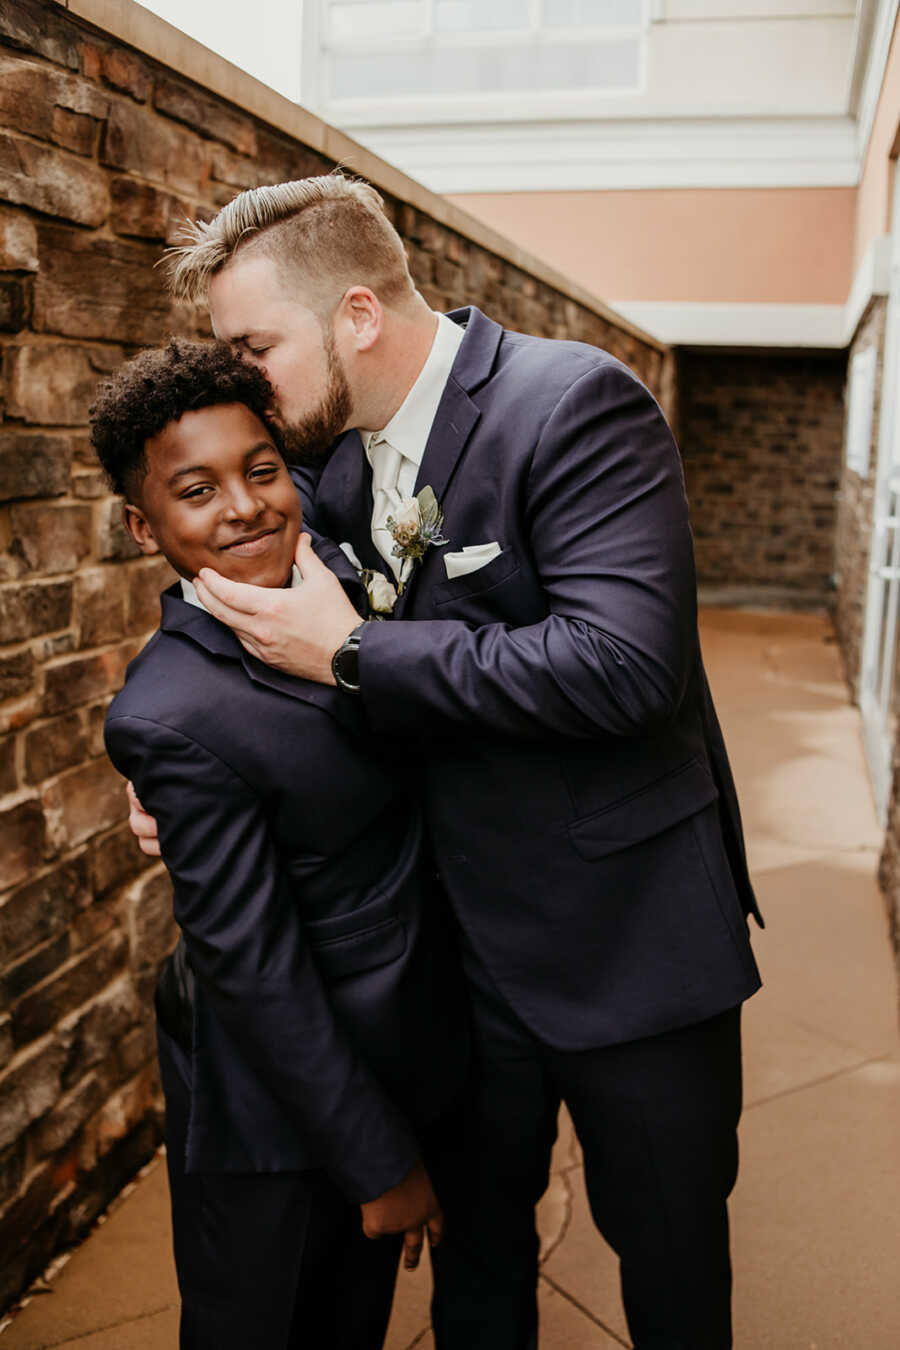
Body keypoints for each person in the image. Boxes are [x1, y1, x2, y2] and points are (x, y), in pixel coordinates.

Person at [132, 175, 763, 1349]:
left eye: (253, 345)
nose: (237, 378)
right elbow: (244, 612)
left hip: (627, 944)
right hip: (454, 965)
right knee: (478, 1261)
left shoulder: (574, 404)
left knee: (671, 1260)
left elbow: (625, 666)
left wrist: (362, 652)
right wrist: (185, 766)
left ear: (356, 316)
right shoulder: (327, 464)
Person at [91, 337, 468, 1350]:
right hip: (284, 1114)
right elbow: (253, 967)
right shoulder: (170, 715)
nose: (246, 506)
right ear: (144, 524)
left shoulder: (331, 571)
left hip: (393, 1051)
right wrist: (379, 1163)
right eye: (196, 491)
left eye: (260, 471)